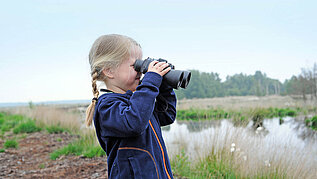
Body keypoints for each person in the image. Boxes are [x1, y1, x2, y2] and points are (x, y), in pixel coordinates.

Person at [85, 34, 177, 179]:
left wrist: (163, 85)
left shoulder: (138, 103)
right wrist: (151, 81)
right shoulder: (107, 107)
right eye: (135, 66)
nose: (141, 71)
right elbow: (134, 122)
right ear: (109, 70)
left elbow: (167, 115)